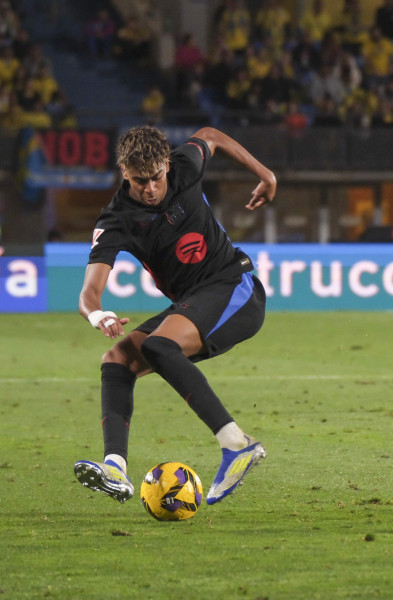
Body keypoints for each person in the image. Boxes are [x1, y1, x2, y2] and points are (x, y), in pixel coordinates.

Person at [73, 125, 277, 506]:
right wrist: (97, 315)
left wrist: (266, 174)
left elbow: (212, 134)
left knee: (160, 345)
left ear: (167, 164)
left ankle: (237, 445)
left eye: (156, 177)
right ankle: (115, 467)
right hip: (192, 301)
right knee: (116, 360)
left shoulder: (185, 165)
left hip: (235, 288)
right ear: (124, 174)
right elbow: (88, 293)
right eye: (139, 181)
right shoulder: (116, 220)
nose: (150, 188)